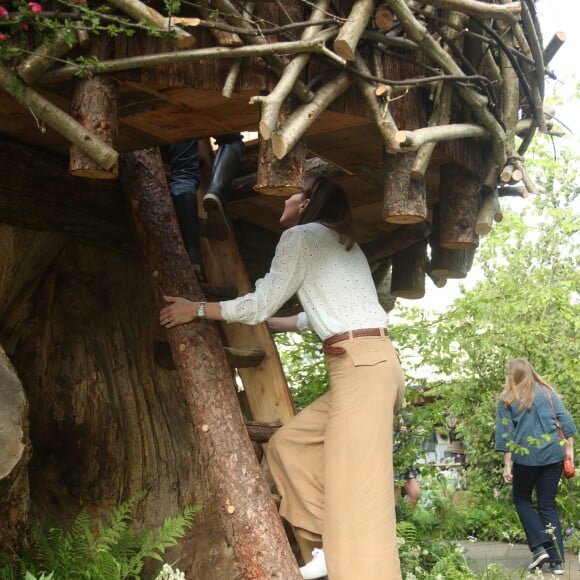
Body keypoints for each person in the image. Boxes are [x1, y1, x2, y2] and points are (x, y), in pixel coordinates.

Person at [160, 176, 406, 580]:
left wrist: (198, 310)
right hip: (376, 366)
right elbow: (319, 314)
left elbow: (257, 303)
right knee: (288, 445)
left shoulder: (300, 238)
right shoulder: (346, 245)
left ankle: (352, 563)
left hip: (360, 371)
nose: (287, 196)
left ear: (307, 203)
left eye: (294, 192)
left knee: (361, 495)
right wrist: (277, 324)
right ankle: (330, 544)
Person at [494, 358, 576, 576]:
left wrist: (507, 465)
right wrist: (570, 453)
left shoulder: (506, 398)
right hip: (553, 455)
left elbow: (505, 435)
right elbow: (567, 424)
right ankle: (557, 562)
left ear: (512, 375)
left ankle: (539, 547)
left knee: (521, 499)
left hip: (526, 458)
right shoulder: (547, 392)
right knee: (547, 505)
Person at [166, 134, 245, 270]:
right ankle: (216, 190)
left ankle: (193, 254)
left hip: (171, 117)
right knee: (231, 140)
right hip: (209, 113)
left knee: (184, 172)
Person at [393, 418, 421, 509]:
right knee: (395, 500)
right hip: (393, 461)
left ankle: (406, 519)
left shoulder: (402, 414)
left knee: (415, 493)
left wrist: (406, 433)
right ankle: (399, 521)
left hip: (405, 461)